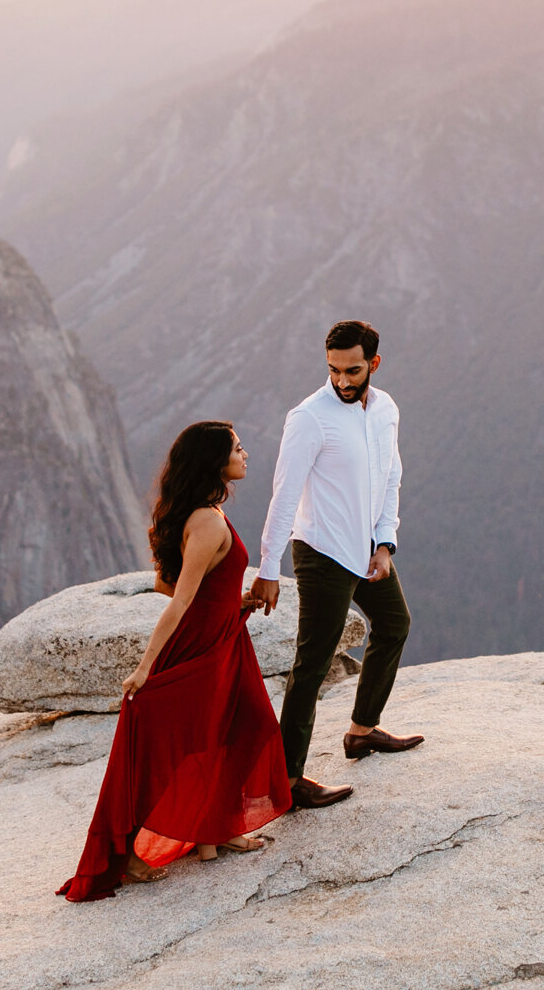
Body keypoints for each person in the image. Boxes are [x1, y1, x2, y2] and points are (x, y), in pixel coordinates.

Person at [61, 421, 290, 902]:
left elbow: (185, 585)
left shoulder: (202, 514)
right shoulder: (206, 521)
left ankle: (215, 831)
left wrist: (236, 603)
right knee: (185, 743)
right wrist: (146, 668)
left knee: (240, 729)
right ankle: (131, 854)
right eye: (237, 449)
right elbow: (178, 599)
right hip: (202, 649)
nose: (246, 455)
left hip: (224, 637)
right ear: (215, 462)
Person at [250, 319, 423, 806]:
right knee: (313, 663)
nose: (342, 381)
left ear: (374, 363)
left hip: (367, 548)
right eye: (333, 371)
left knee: (394, 624)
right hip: (323, 553)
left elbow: (391, 478)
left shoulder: (386, 409)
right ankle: (286, 781)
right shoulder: (309, 416)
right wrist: (268, 567)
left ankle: (362, 730)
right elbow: (283, 496)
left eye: (353, 370)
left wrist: (385, 543)